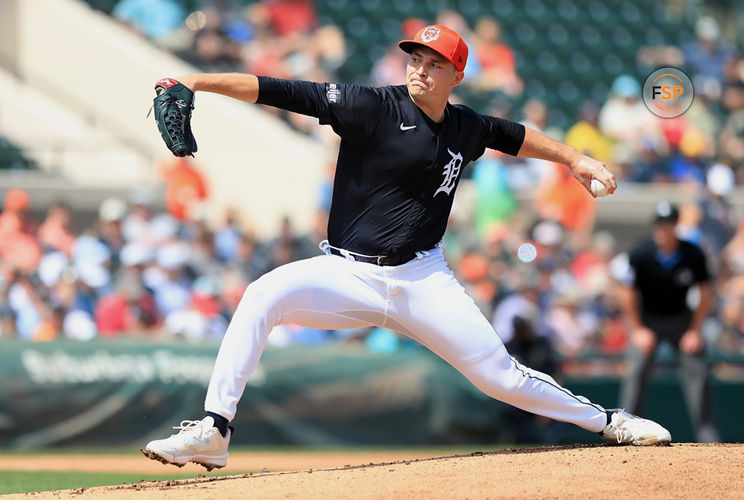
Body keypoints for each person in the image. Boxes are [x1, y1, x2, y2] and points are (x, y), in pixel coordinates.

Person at [141, 24, 670, 471]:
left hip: (423, 279)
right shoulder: (370, 105)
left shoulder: (465, 126)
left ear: (457, 76)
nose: (420, 67)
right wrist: (196, 80)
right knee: (262, 295)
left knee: (501, 377)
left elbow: (516, 135)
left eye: (434, 62)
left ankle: (611, 422)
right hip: (348, 275)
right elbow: (281, 89)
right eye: (415, 57)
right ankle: (215, 428)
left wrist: (576, 158)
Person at [617, 201, 719, 443]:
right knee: (635, 370)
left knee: (698, 372)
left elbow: (706, 293)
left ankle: (709, 439)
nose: (663, 230)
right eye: (659, 225)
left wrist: (695, 330)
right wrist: (638, 330)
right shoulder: (641, 252)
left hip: (681, 320)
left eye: (668, 225)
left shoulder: (692, 254)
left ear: (676, 226)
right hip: (648, 320)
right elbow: (626, 293)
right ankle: (625, 433)